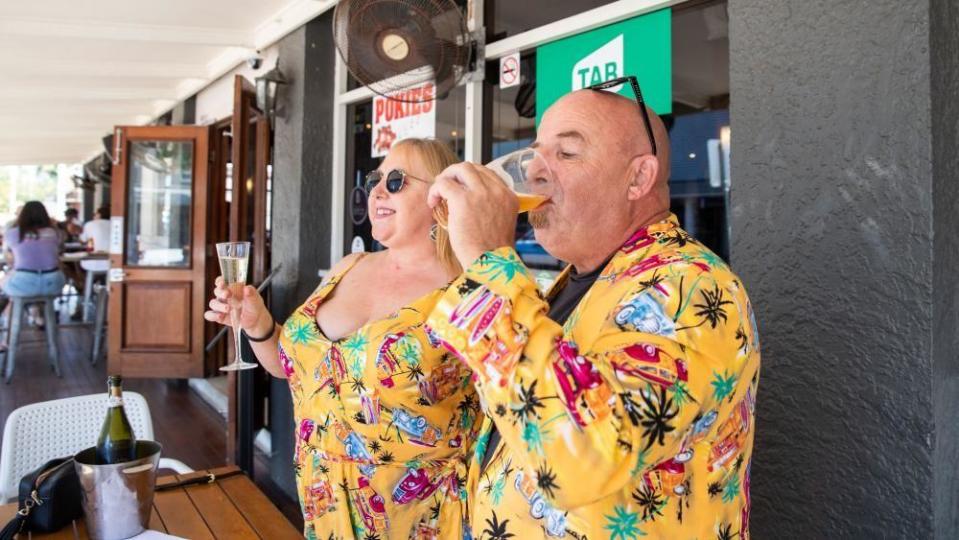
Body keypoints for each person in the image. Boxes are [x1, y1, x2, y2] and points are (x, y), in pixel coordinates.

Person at [425, 88, 761, 538]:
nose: (534, 172)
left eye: (566, 152)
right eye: (535, 152)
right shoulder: (578, 279)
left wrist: (488, 260)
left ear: (638, 178)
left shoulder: (692, 285)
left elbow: (579, 453)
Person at [204, 139, 482, 539]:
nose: (378, 190)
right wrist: (258, 324)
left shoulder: (467, 289)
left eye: (398, 180)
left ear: (440, 198)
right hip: (326, 507)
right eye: (376, 179)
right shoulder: (350, 266)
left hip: (421, 519)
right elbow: (294, 368)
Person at [2, 201, 66, 330]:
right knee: (22, 287)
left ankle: (6, 340)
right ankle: (35, 312)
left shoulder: (13, 233)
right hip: (54, 283)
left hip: (24, 282)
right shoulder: (56, 233)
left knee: (10, 290)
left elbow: (9, 258)